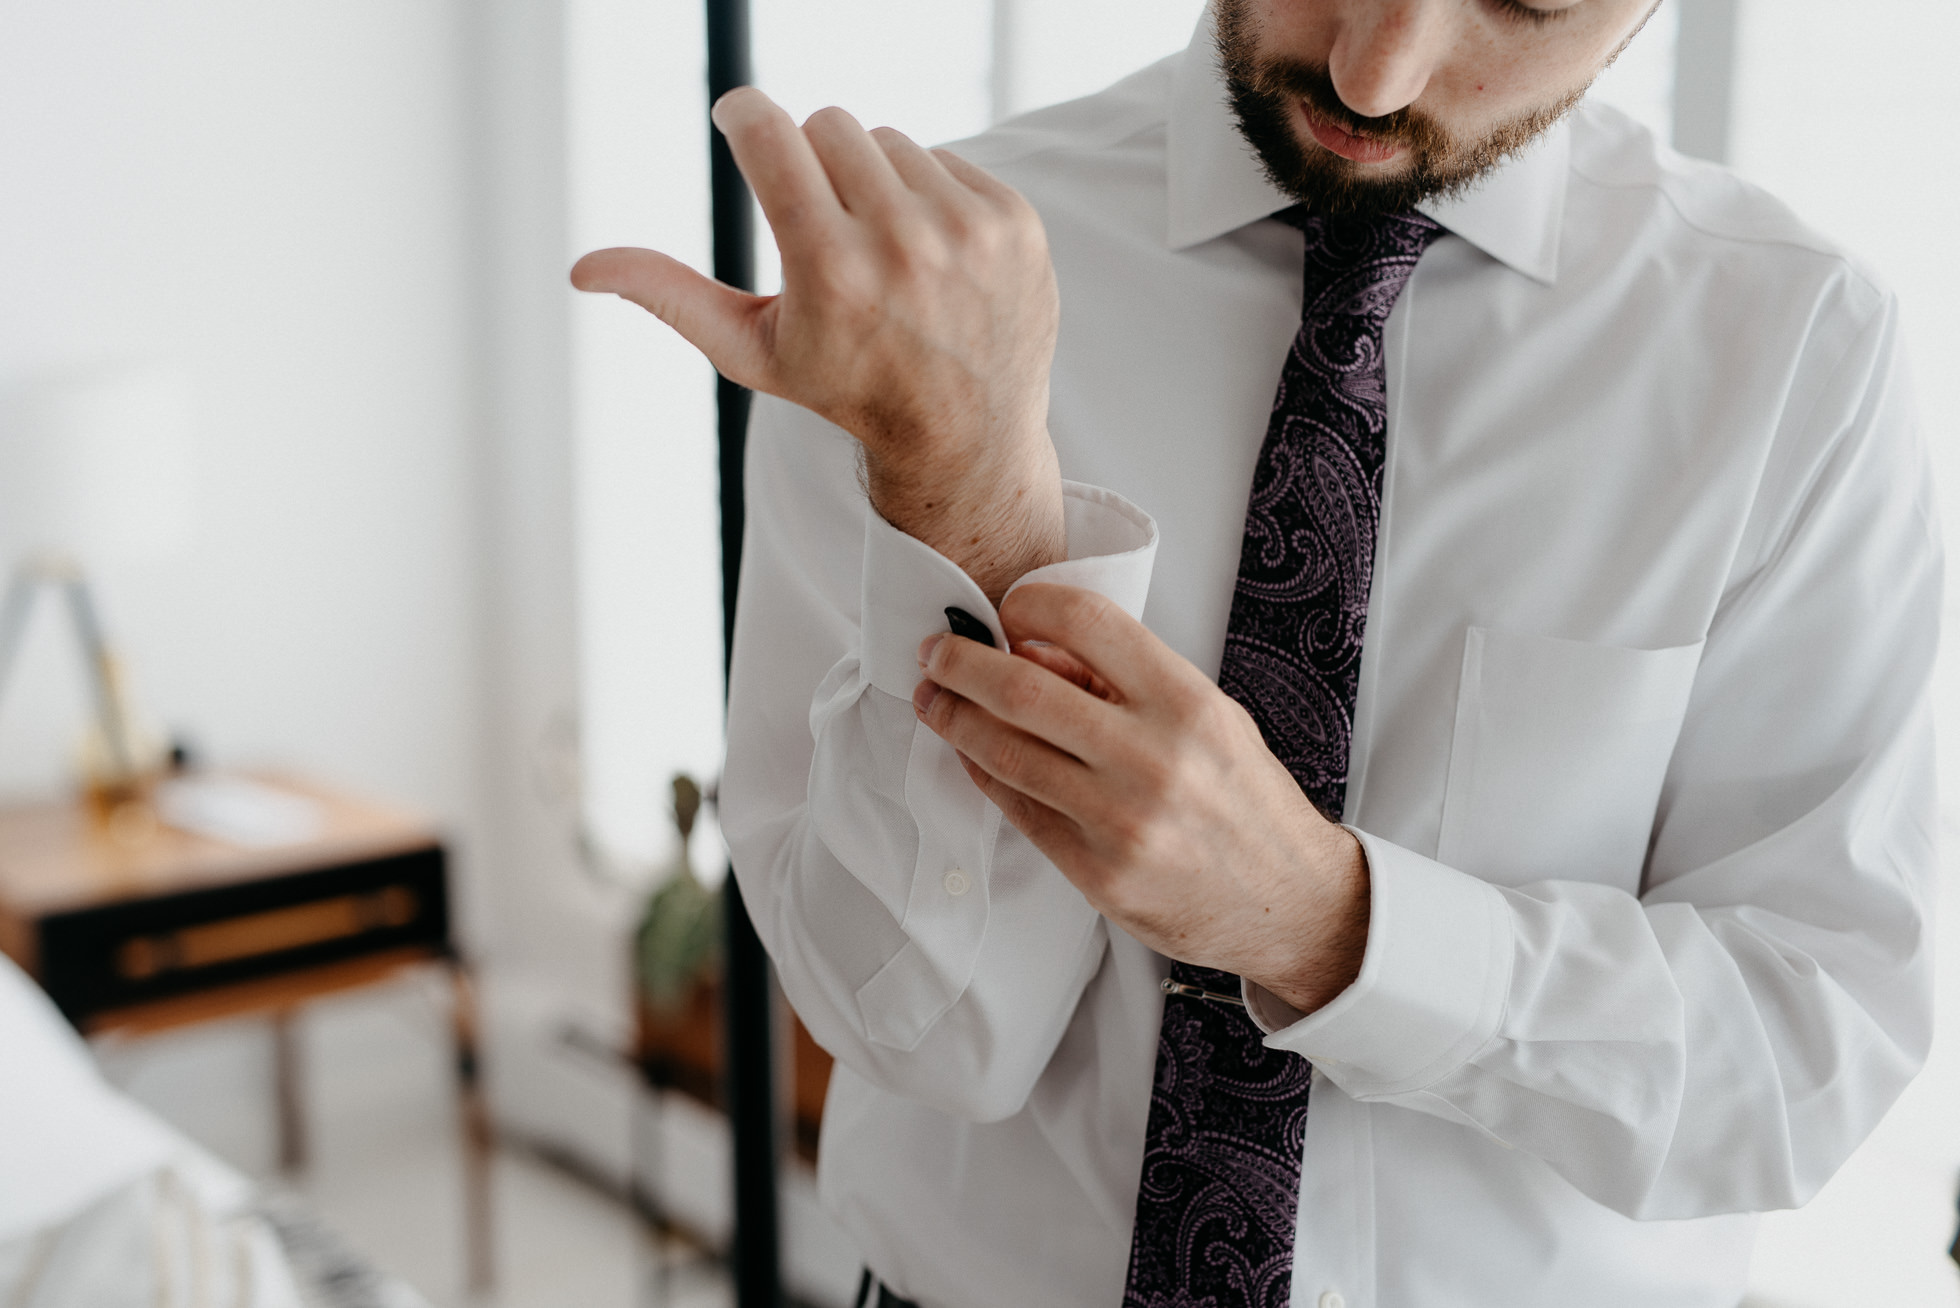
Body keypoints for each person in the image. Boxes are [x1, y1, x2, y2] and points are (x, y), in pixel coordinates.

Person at [572, 0, 1941, 1303]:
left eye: (1526, 3)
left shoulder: (1795, 355)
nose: (1375, 70)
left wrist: (1326, 925)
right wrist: (962, 499)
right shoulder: (921, 300)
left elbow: (1801, 1058)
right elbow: (917, 1036)